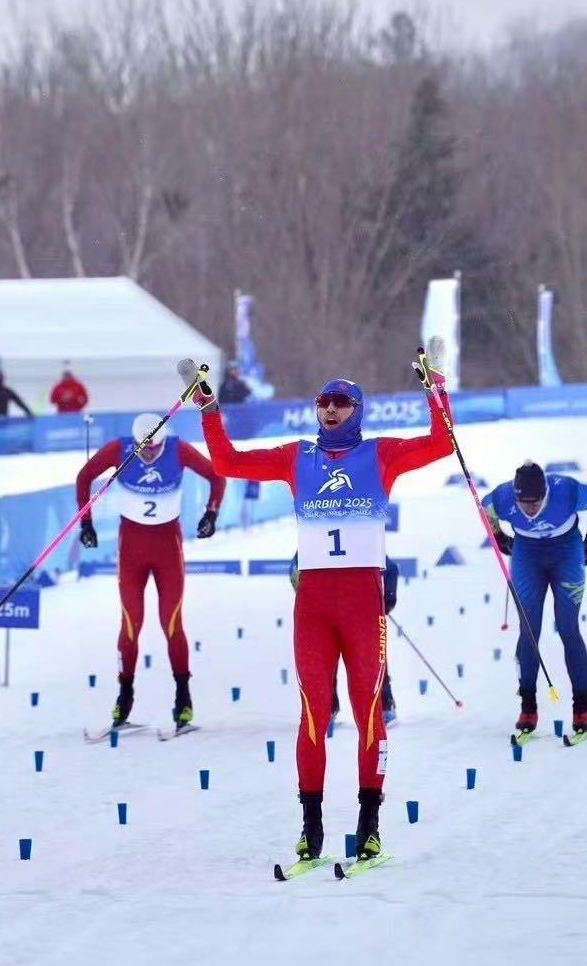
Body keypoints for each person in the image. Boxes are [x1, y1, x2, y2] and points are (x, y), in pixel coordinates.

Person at [182, 357, 453, 866]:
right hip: (314, 604)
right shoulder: (296, 457)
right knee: (311, 713)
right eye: (323, 403)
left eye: (340, 403)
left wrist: (436, 389)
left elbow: (441, 444)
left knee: (369, 713)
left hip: (361, 601)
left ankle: (370, 828)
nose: (329, 411)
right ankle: (311, 829)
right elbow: (226, 463)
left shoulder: (381, 454)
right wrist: (209, 409)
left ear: (357, 410)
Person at [76, 412, 225, 732]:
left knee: (171, 622)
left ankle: (183, 700)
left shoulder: (178, 449)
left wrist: (210, 514)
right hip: (131, 551)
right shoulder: (120, 450)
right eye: (144, 449)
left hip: (167, 550)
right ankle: (124, 698)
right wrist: (85, 523)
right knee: (131, 624)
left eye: (154, 448)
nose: (149, 454)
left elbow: (217, 476)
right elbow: (84, 476)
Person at [482, 462, 587, 737]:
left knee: (568, 627)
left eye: (535, 502)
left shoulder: (567, 491)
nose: (530, 509)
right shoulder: (503, 498)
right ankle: (528, 706)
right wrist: (499, 536)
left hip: (567, 554)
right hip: (527, 556)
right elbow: (484, 508)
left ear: (546, 492)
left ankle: (581, 706)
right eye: (523, 504)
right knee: (529, 630)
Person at [289, 553, 400, 724]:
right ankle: (328, 711)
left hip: (361, 613)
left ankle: (385, 706)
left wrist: (385, 600)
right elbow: (294, 572)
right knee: (327, 662)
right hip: (328, 614)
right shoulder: (313, 543)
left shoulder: (359, 540)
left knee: (373, 661)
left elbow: (391, 569)